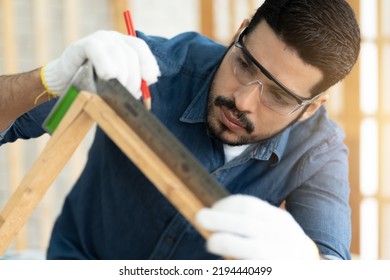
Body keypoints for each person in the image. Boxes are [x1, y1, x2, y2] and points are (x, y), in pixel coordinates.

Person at [0, 0, 360, 260]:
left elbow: (330, 261)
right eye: (246, 65)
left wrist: (309, 266)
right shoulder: (146, 65)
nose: (244, 101)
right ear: (240, 32)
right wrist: (47, 79)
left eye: (280, 96)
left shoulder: (319, 152)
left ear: (312, 107)